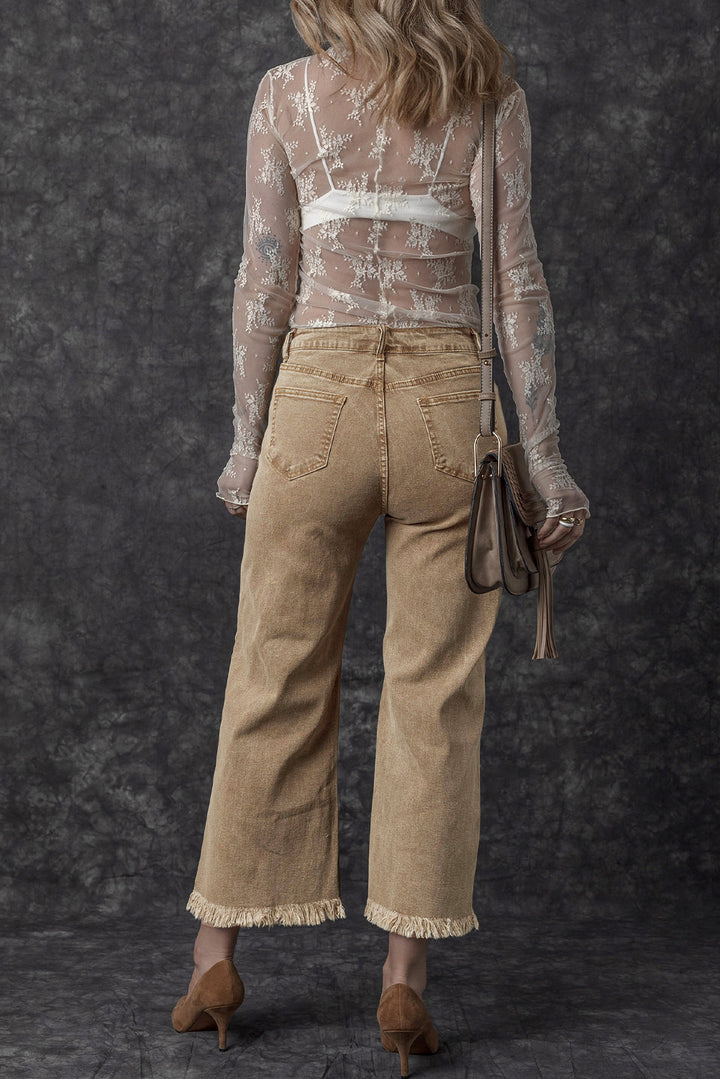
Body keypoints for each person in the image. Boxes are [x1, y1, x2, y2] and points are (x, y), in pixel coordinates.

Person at [171, 0, 590, 1071]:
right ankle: (404, 982)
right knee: (434, 696)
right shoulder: (490, 97)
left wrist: (243, 443)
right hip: (451, 405)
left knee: (272, 669)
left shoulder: (286, 93)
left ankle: (215, 960)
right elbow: (519, 285)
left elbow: (264, 276)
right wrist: (545, 459)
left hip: (317, 401)